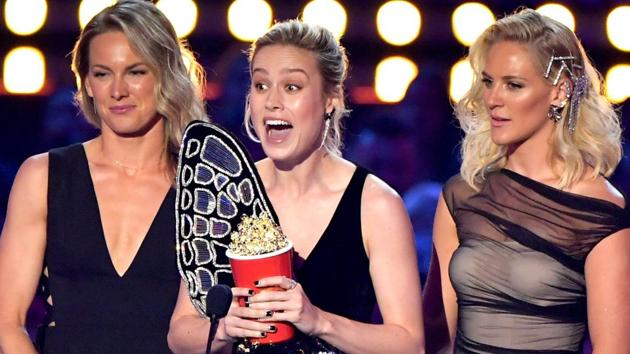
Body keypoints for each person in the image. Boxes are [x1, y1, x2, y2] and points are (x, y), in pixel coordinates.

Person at [168, 20, 424, 354]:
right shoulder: (227, 193)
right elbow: (179, 335)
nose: (272, 101)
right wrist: (225, 328)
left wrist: (318, 321)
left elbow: (409, 344)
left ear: (330, 98)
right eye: (261, 85)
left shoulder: (375, 205)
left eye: (292, 87)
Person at [0, 0, 207, 352]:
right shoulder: (44, 177)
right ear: (87, 84)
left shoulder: (202, 185)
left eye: (136, 71)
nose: (117, 91)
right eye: (102, 73)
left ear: (166, 75)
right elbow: (8, 323)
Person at [423, 8, 630, 354]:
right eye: (488, 82)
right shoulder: (464, 194)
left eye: (513, 85)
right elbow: (434, 333)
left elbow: (614, 348)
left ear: (560, 92)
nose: (492, 99)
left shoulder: (598, 210)